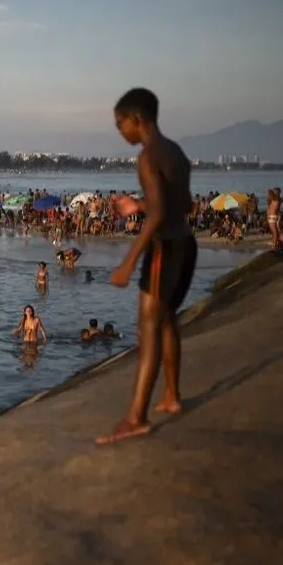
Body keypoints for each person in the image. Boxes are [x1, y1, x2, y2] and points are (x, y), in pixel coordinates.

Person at [98, 87, 197, 446]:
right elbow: (180, 204)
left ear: (138, 120)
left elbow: (158, 216)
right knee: (168, 318)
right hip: (186, 244)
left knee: (149, 328)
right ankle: (171, 395)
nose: (119, 130)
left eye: (120, 123)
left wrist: (127, 261)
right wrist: (138, 205)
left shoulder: (147, 156)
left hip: (163, 250)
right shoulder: (176, 153)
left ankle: (136, 417)